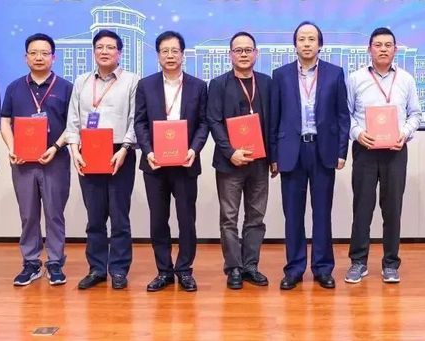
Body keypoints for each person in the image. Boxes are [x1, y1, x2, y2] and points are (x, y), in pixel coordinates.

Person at [272, 22, 350, 290]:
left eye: (311, 39)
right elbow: (275, 118)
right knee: (293, 215)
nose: (306, 44)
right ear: (295, 44)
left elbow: (342, 116)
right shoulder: (280, 75)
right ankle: (294, 269)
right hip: (291, 152)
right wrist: (274, 155)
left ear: (320, 44)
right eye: (302, 39)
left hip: (322, 150)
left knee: (322, 213)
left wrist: (342, 151)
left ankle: (322, 268)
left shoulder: (334, 73)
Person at [134, 31, 209, 292]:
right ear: (158, 55)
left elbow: (204, 123)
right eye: (164, 51)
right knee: (158, 219)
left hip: (185, 163)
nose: (169, 55)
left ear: (182, 54)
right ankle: (164, 271)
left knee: (187, 219)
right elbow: (140, 122)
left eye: (174, 51)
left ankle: (185, 270)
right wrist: (148, 151)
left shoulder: (198, 86)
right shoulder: (146, 85)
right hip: (155, 164)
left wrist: (194, 149)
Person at [345, 27, 420, 284]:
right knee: (362, 207)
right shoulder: (355, 78)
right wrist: (357, 134)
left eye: (388, 45)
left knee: (392, 208)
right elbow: (346, 114)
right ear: (369, 49)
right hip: (365, 150)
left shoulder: (406, 79)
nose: (383, 49)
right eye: (378, 45)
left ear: (395, 50)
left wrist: (405, 133)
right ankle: (358, 262)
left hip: (395, 151)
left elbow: (415, 114)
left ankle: (390, 263)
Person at [65, 29, 139, 290]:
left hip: (120, 151)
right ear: (94, 51)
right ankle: (97, 268)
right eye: (99, 47)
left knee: (119, 217)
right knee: (94, 217)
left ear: (119, 52)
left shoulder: (132, 80)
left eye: (110, 47)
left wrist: (126, 148)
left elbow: (135, 118)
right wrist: (74, 150)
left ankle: (118, 269)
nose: (104, 51)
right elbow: (73, 119)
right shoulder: (81, 81)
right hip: (88, 152)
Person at [0, 33, 73, 286]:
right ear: (26, 57)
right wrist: (12, 148)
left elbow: (73, 124)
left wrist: (55, 147)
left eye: (44, 53)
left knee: (54, 214)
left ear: (53, 57)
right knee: (28, 215)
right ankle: (31, 263)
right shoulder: (14, 87)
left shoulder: (66, 87)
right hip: (23, 162)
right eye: (33, 53)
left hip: (55, 161)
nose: (39, 57)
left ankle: (55, 263)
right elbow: (5, 121)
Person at [207, 31, 275, 289]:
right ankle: (234, 268)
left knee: (256, 216)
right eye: (238, 50)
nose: (244, 54)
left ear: (256, 53)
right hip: (230, 164)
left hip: (260, 162)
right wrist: (230, 152)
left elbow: (273, 122)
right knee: (229, 218)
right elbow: (214, 121)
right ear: (230, 55)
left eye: (248, 50)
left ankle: (251, 266)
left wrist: (274, 157)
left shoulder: (267, 83)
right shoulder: (218, 84)